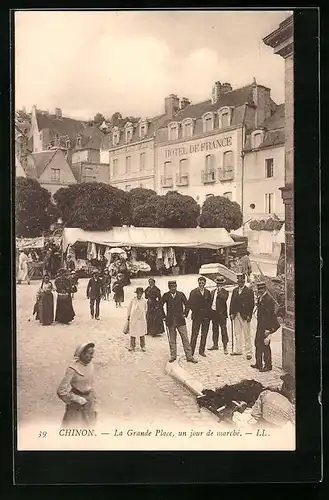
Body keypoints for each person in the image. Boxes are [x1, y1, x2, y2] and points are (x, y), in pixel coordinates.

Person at [57, 342, 97, 428]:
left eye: (92, 354)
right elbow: (61, 391)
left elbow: (90, 384)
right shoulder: (72, 369)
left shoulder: (91, 366)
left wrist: (92, 398)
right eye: (90, 354)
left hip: (89, 403)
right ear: (82, 354)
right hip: (76, 405)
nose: (92, 356)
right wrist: (76, 398)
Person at [160, 280, 197, 364]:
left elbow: (187, 304)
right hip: (170, 321)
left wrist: (185, 313)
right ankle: (173, 356)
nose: (173, 288)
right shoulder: (166, 295)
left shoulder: (181, 294)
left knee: (185, 338)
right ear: (169, 288)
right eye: (172, 287)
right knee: (172, 339)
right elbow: (160, 305)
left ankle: (189, 356)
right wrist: (163, 316)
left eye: (175, 286)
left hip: (180, 321)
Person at [251, 281, 281, 372]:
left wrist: (269, 330)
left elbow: (270, 316)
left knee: (265, 345)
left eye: (261, 289)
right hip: (260, 326)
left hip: (266, 327)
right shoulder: (261, 298)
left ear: (264, 289)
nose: (259, 291)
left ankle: (268, 365)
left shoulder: (268, 299)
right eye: (258, 289)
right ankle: (258, 363)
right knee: (257, 344)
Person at [229, 273, 254, 359]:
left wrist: (249, 315)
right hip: (236, 314)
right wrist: (231, 313)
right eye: (239, 281)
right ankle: (239, 350)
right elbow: (232, 303)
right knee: (237, 333)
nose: (240, 283)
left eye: (242, 281)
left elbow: (252, 304)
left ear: (244, 281)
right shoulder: (235, 290)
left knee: (247, 334)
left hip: (245, 315)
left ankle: (249, 352)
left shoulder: (249, 291)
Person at [186, 276, 212, 357]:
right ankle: (191, 352)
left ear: (205, 283)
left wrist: (209, 315)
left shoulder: (208, 292)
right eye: (200, 282)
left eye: (203, 282)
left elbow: (210, 305)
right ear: (198, 283)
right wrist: (186, 313)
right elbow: (189, 304)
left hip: (206, 317)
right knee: (194, 334)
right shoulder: (193, 292)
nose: (201, 284)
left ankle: (202, 351)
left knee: (204, 334)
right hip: (197, 316)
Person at [209, 276, 229, 354]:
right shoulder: (212, 292)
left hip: (222, 314)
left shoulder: (225, 292)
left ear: (223, 284)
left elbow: (224, 298)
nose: (219, 285)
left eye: (221, 284)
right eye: (218, 284)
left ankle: (225, 347)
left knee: (223, 330)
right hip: (214, 313)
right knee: (215, 329)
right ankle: (215, 344)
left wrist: (219, 292)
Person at [126, 287, 147, 352]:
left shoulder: (144, 301)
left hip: (141, 319)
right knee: (133, 332)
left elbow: (146, 309)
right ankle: (132, 345)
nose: (139, 295)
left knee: (142, 332)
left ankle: (143, 346)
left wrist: (143, 315)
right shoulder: (133, 300)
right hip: (133, 318)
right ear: (136, 293)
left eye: (141, 293)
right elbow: (129, 308)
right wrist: (128, 316)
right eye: (138, 293)